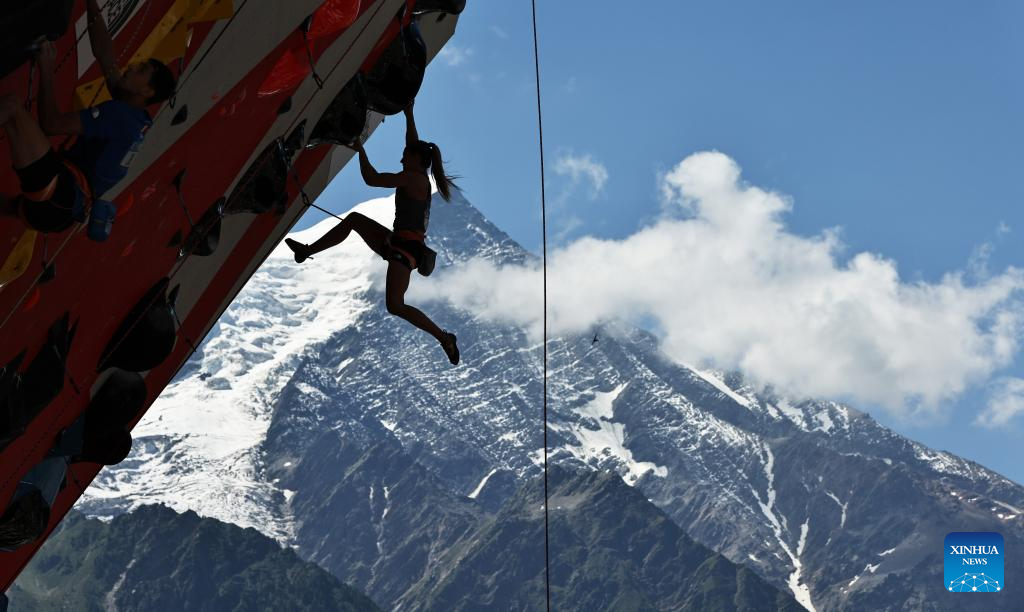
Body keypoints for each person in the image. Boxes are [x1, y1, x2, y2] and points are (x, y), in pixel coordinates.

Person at [286, 102, 461, 365]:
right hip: (398, 242)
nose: (401, 159)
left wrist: (360, 149)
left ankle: (444, 338)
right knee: (354, 220)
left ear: (416, 160)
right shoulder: (417, 173)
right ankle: (307, 250)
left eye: (405, 156)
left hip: (404, 249)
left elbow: (372, 179)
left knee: (396, 305)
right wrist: (409, 113)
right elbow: (411, 144)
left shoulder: (412, 178)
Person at [0, 0, 175, 231]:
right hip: (61, 213)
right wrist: (91, 3)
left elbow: (51, 125)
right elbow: (105, 55)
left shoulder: (121, 116)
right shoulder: (135, 115)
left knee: (11, 107)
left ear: (147, 92)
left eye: (141, 70)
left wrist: (47, 69)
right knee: (11, 205)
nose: (132, 66)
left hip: (57, 198)